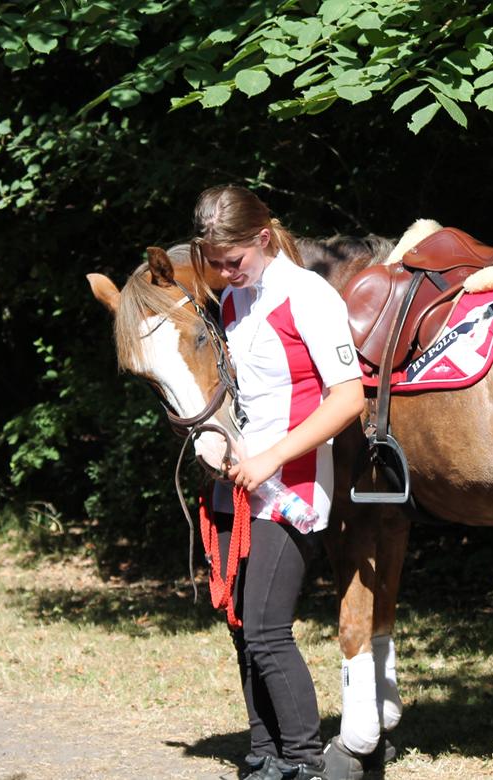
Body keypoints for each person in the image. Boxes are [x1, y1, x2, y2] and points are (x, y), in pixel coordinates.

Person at [189, 185, 365, 780]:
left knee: (265, 629)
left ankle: (304, 762)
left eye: (231, 261)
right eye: (213, 263)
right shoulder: (236, 300)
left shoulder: (307, 296)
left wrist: (269, 460)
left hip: (292, 487)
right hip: (239, 483)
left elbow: (348, 400)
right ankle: (264, 754)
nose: (222, 274)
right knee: (243, 626)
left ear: (263, 238)